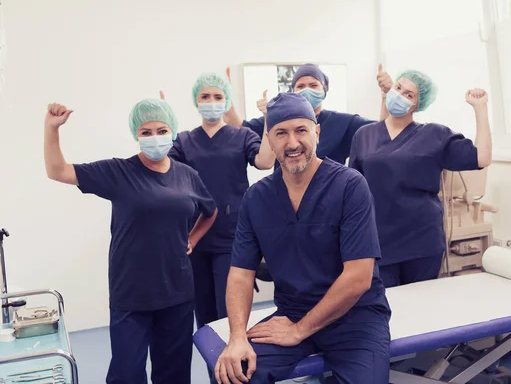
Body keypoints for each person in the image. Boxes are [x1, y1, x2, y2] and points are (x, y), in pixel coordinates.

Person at [214, 93, 391, 384]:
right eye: (281, 133)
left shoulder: (349, 186)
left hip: (355, 317)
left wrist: (299, 331)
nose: (292, 143)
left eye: (301, 130)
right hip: (292, 313)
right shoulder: (257, 198)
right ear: (268, 140)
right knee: (233, 373)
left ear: (317, 133)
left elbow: (359, 277)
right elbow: (240, 275)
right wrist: (236, 338)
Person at [43, 99, 218, 384]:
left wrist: (193, 239)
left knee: (173, 374)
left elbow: (211, 211)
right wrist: (52, 129)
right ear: (136, 134)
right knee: (127, 374)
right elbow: (57, 170)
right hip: (131, 294)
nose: (154, 137)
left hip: (177, 291)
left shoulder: (187, 175)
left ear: (172, 131)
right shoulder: (118, 172)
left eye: (161, 130)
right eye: (146, 132)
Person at [349, 66, 492, 288]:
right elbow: (353, 190)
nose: (400, 95)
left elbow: (481, 158)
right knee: (383, 308)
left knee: (420, 308)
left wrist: (480, 108)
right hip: (378, 243)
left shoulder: (434, 135)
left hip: (422, 243)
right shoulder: (364, 135)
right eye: (398, 88)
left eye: (409, 94)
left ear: (418, 104)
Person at [164, 71, 275, 332]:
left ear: (227, 101)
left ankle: (232, 368)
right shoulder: (183, 141)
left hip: (232, 236)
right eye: (205, 96)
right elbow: (164, 171)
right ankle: (214, 370)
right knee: (203, 313)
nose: (211, 101)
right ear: (196, 101)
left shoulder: (243, 135)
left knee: (229, 312)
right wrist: (163, 126)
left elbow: (265, 161)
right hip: (194, 237)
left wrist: (270, 120)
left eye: (218, 96)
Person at [224, 63, 375, 166]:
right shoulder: (278, 121)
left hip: (330, 196)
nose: (307, 90)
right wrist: (225, 95)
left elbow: (382, 129)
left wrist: (386, 96)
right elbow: (238, 127)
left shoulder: (343, 123)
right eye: (301, 86)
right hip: (286, 194)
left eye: (313, 85)